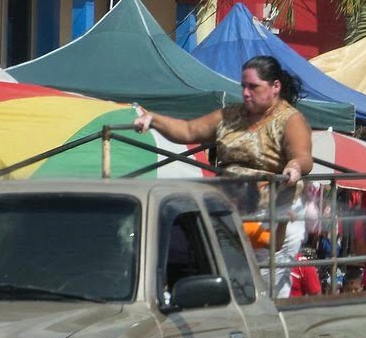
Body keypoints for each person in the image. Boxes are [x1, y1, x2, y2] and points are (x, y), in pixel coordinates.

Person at [134, 55, 313, 297]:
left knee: (262, 287)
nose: (246, 93)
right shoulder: (230, 115)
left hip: (271, 210)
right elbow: (188, 130)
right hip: (231, 207)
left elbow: (303, 156)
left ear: (275, 86)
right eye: (243, 86)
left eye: (253, 87)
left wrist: (294, 166)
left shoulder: (290, 119)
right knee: (228, 278)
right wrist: (153, 119)